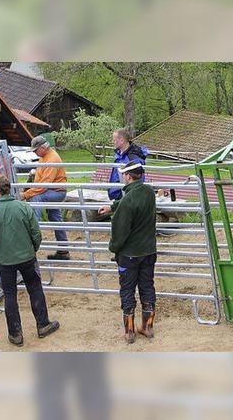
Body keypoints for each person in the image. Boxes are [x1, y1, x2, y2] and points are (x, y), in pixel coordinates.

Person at [0, 175, 59, 347]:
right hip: (27, 257)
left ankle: (16, 334)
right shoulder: (23, 207)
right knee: (35, 288)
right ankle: (43, 324)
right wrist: (32, 249)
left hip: (4, 260)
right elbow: (36, 233)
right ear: (8, 188)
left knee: (10, 295)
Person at [99, 161, 157, 344]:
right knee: (147, 286)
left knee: (127, 289)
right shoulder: (149, 192)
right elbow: (133, 201)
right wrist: (114, 205)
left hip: (130, 255)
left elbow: (120, 233)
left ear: (128, 176)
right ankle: (147, 327)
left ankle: (129, 331)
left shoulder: (127, 202)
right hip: (148, 251)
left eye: (123, 175)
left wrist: (114, 248)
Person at [21, 135, 70, 261]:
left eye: (36, 150)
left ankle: (31, 233)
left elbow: (43, 186)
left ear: (43, 147)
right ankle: (63, 251)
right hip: (51, 190)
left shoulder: (52, 159)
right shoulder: (44, 157)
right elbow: (40, 180)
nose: (35, 153)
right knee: (55, 217)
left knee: (36, 198)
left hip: (55, 192)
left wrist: (26, 194)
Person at [108, 128, 148, 201]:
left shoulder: (133, 159)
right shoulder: (119, 155)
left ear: (122, 140)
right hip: (118, 195)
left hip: (127, 198)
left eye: (114, 140)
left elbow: (138, 181)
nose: (113, 142)